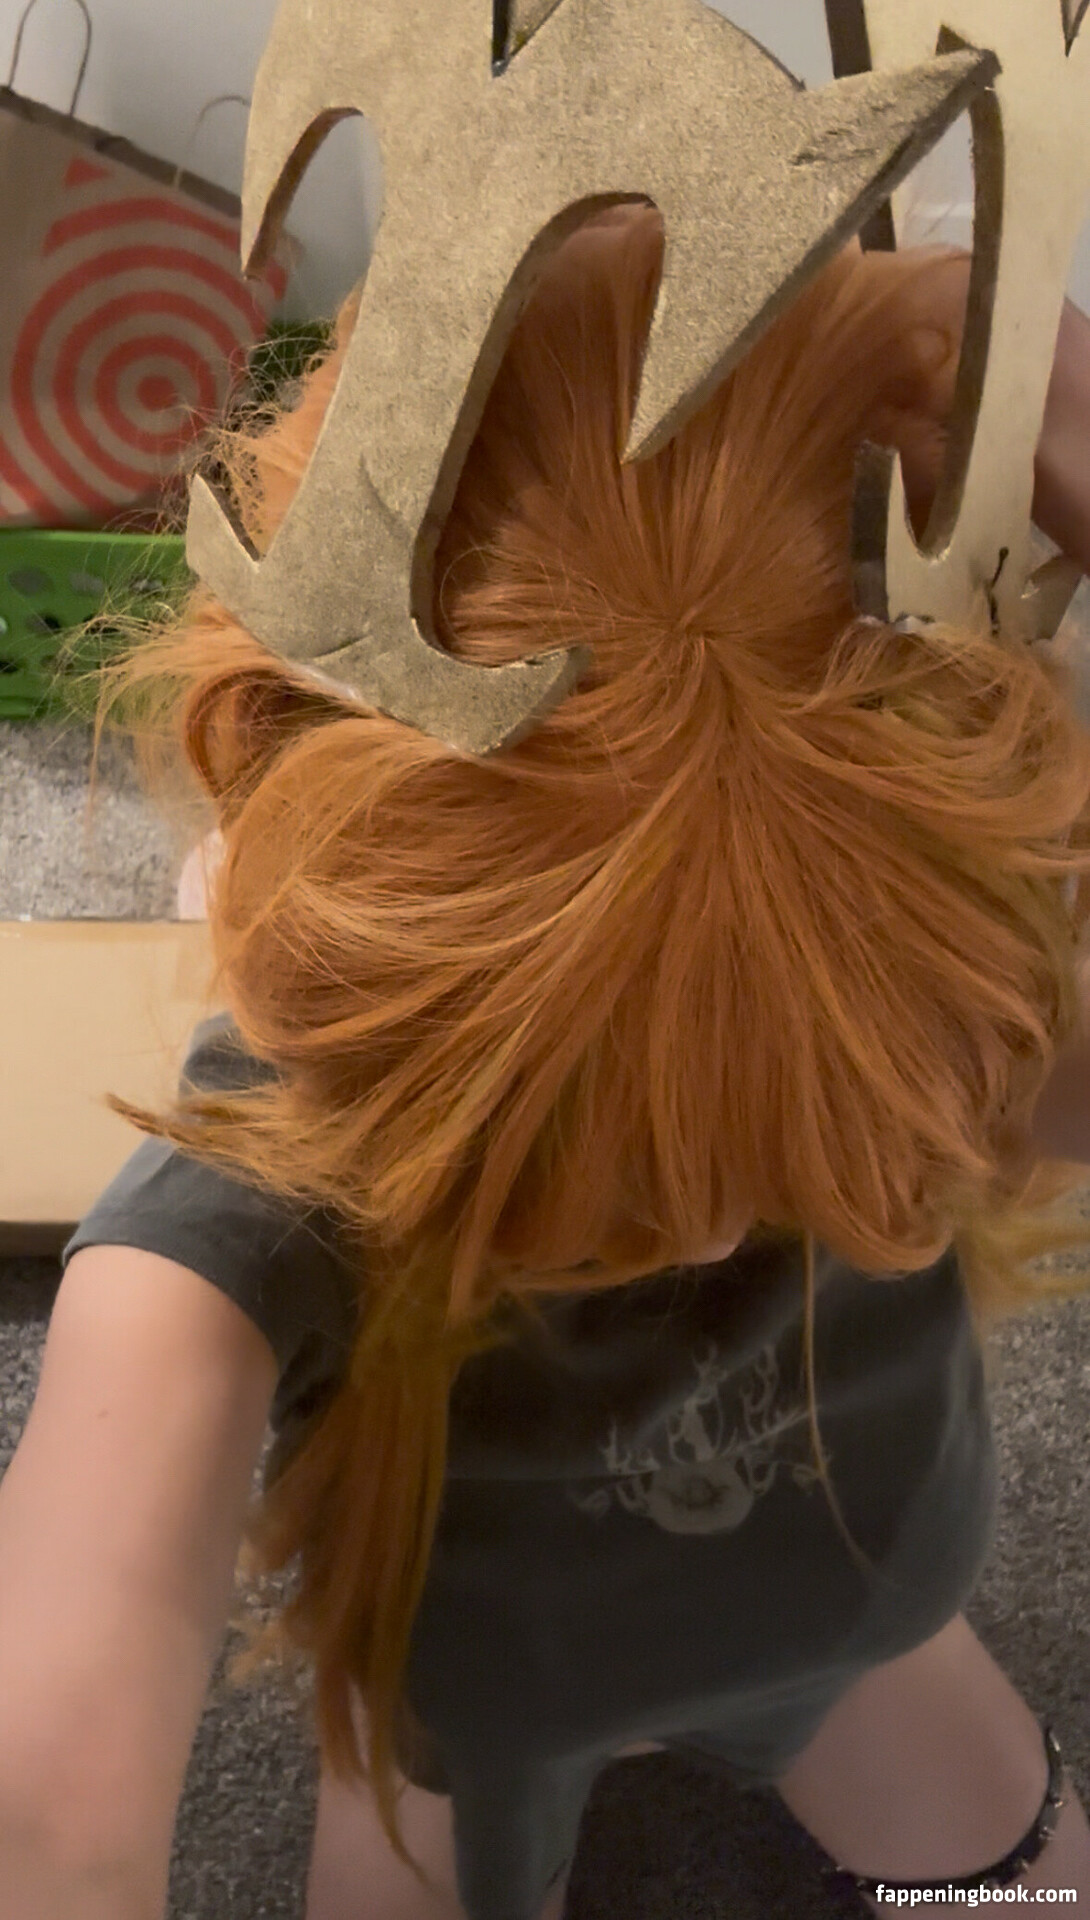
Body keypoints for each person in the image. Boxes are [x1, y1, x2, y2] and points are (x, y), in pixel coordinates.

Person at [2, 206, 1090, 1920]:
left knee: (1025, 1888)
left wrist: (1045, 390)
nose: (708, 1230)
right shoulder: (249, 1200)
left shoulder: (937, 992)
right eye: (569, 1115)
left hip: (854, 1626)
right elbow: (45, 1809)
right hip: (471, 1714)